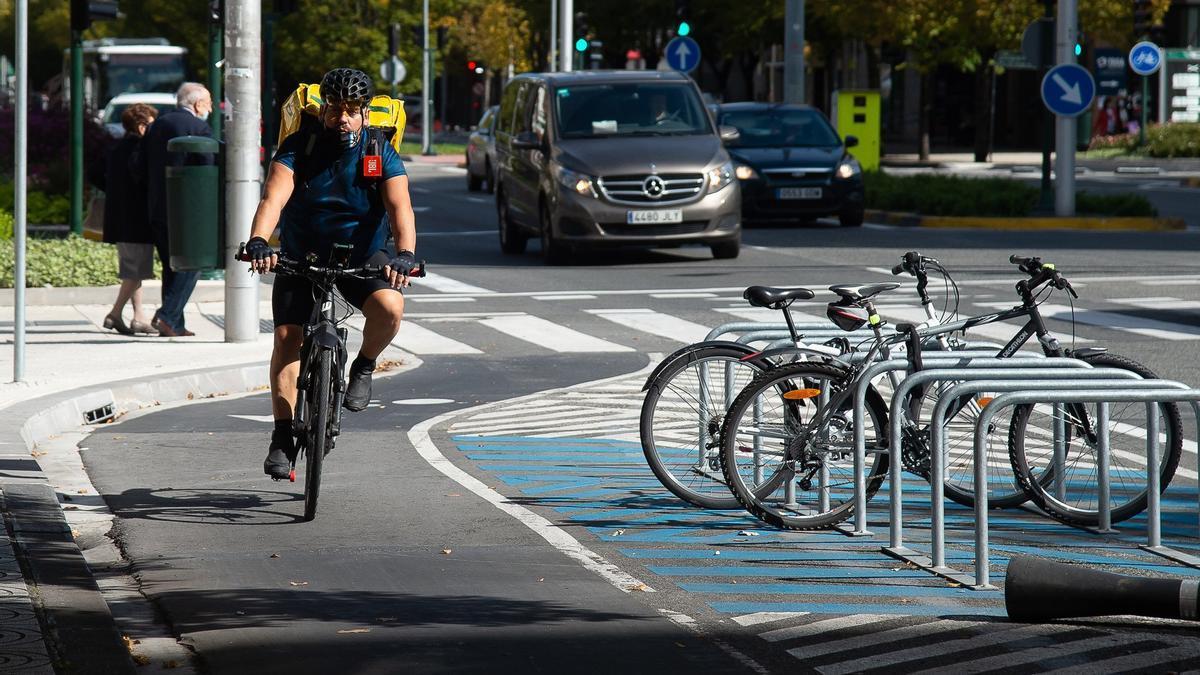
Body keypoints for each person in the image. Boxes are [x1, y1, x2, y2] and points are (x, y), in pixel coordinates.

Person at [242, 68, 418, 480]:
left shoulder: (379, 150)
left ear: (365, 114)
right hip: (302, 256)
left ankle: (363, 367)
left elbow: (400, 207)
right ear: (323, 111)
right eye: (336, 109)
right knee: (288, 337)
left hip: (361, 256)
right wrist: (259, 241)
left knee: (391, 307)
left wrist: (405, 254)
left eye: (352, 111)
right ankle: (282, 436)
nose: (343, 118)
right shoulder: (299, 147)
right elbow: (273, 198)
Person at [136, 82, 214, 337]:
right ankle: (168, 315)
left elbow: (139, 162)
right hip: (189, 211)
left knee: (171, 265)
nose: (211, 108)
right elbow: (208, 167)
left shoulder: (158, 124)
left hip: (156, 205)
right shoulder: (199, 128)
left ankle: (175, 324)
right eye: (209, 102)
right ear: (198, 104)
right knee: (193, 264)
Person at [89, 103, 159, 335]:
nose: (152, 129)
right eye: (150, 124)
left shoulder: (115, 148)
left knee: (134, 269)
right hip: (137, 218)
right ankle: (115, 313)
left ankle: (139, 316)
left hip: (119, 217)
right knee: (135, 272)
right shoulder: (141, 150)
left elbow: (95, 173)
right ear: (140, 126)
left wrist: (114, 189)